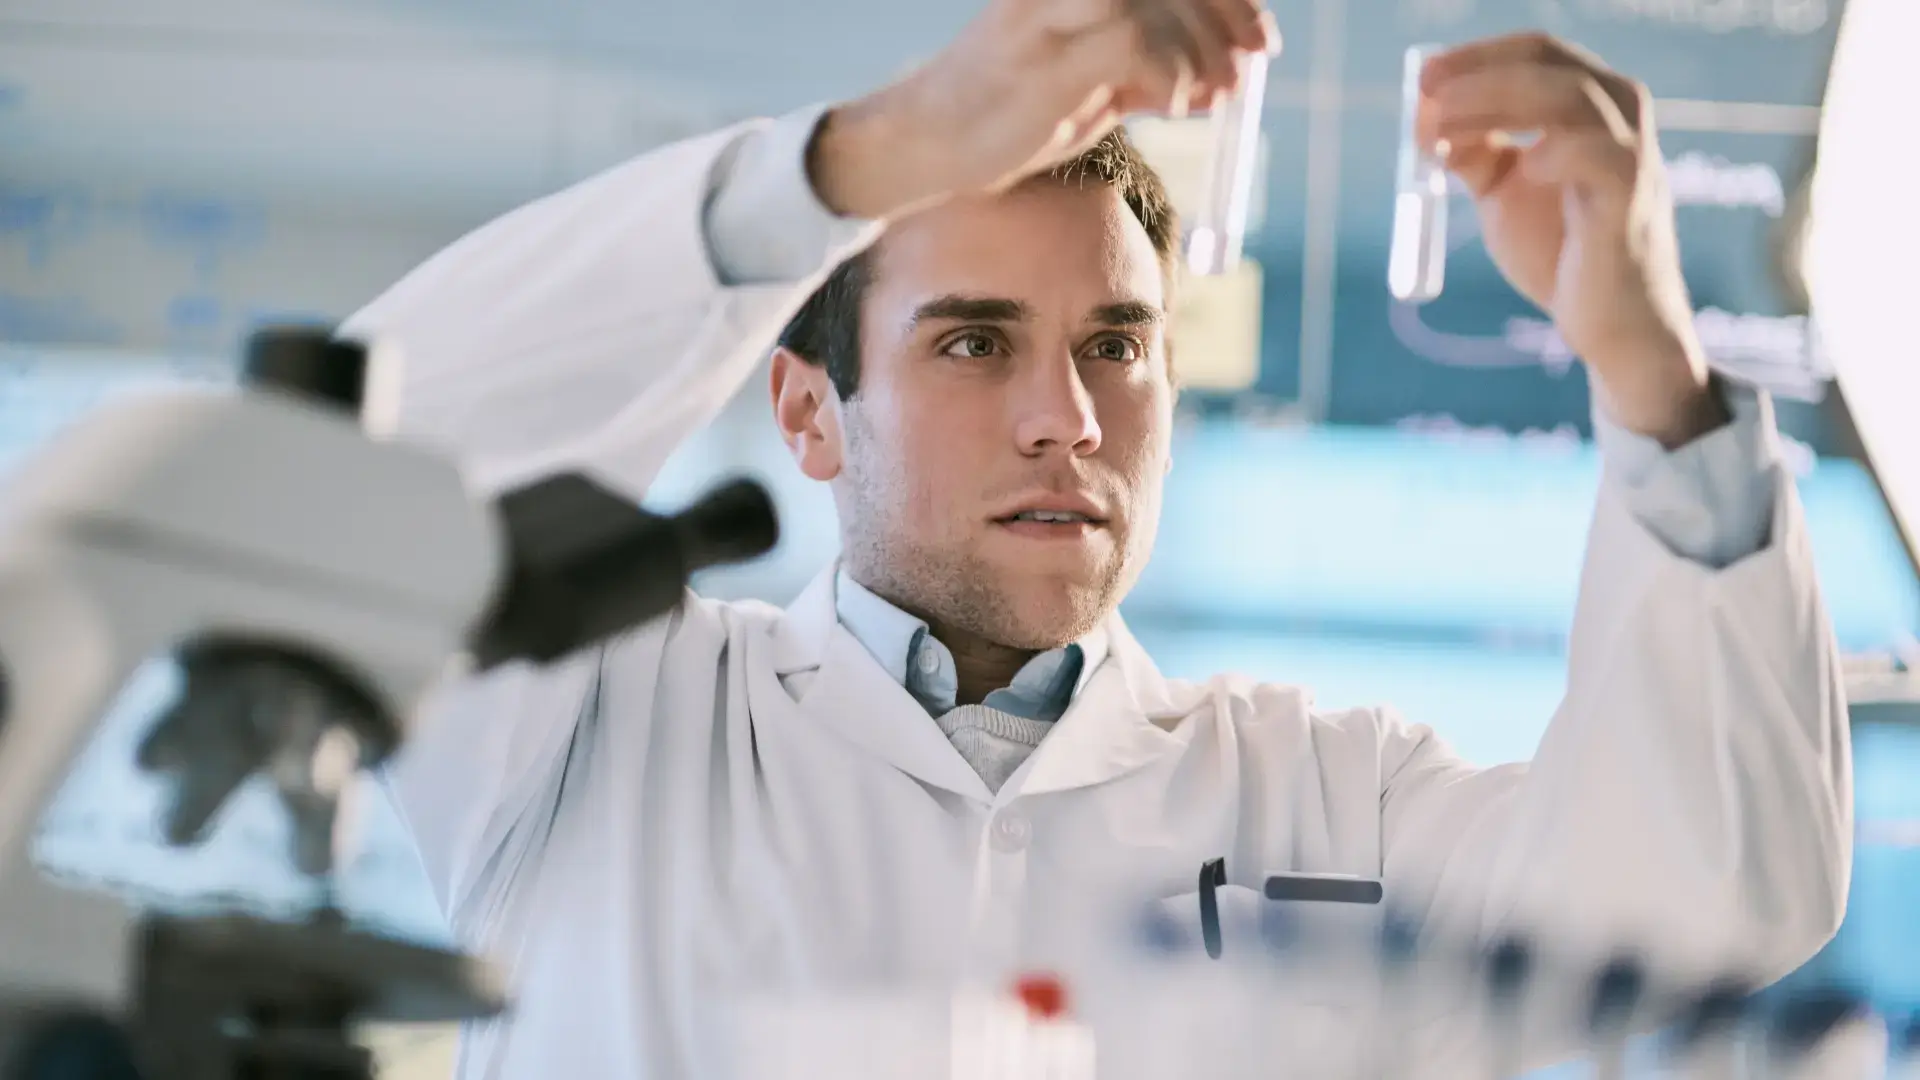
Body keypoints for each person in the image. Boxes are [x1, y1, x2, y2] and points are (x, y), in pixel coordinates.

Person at [346, 1, 1852, 1076]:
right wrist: (859, 163)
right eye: (975, 343)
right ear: (809, 415)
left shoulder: (1341, 803)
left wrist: (1656, 373)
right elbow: (358, 475)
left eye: (1117, 345)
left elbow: (1709, 898)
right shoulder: (595, 717)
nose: (1065, 415)